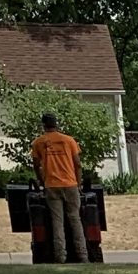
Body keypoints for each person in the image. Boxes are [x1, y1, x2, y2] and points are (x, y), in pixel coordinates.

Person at [30, 112, 89, 263]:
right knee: (75, 220)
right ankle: (83, 256)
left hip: (52, 186)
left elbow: (37, 166)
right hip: (70, 185)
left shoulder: (39, 142)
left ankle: (60, 257)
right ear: (57, 124)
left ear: (43, 125)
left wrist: (42, 181)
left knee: (57, 222)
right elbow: (77, 164)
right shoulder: (69, 141)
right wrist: (79, 182)